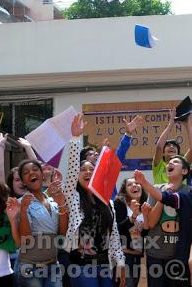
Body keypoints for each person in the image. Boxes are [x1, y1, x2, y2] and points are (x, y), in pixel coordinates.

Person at [63, 114, 125, 287]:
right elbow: (72, 169)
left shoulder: (107, 202)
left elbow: (113, 236)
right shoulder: (72, 196)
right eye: (83, 169)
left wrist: (120, 263)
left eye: (91, 169)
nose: (87, 172)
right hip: (81, 265)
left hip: (105, 265)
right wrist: (75, 138)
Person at [135, 155, 191, 287]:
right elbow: (151, 223)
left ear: (184, 171)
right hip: (156, 255)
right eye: (169, 162)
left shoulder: (189, 192)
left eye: (175, 162)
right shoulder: (156, 189)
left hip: (179, 257)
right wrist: (164, 196)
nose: (170, 163)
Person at [16, 158, 68, 287]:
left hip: (53, 266)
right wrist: (23, 211)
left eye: (35, 170)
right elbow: (26, 239)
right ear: (23, 181)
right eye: (26, 172)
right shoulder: (20, 203)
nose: (32, 173)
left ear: (42, 174)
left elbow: (62, 233)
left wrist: (61, 203)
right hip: (30, 269)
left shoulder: (53, 200)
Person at [114, 178, 151, 287]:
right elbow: (117, 230)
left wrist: (144, 215)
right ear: (125, 190)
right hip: (123, 257)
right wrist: (133, 217)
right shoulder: (120, 204)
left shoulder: (146, 205)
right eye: (130, 184)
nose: (134, 185)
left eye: (137, 183)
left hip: (137, 258)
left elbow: (145, 235)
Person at [153, 108, 192, 184]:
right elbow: (159, 147)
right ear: (163, 153)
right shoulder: (159, 166)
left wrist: (188, 124)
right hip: (162, 196)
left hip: (181, 196)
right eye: (168, 145)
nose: (171, 147)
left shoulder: (183, 162)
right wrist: (171, 124)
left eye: (174, 146)